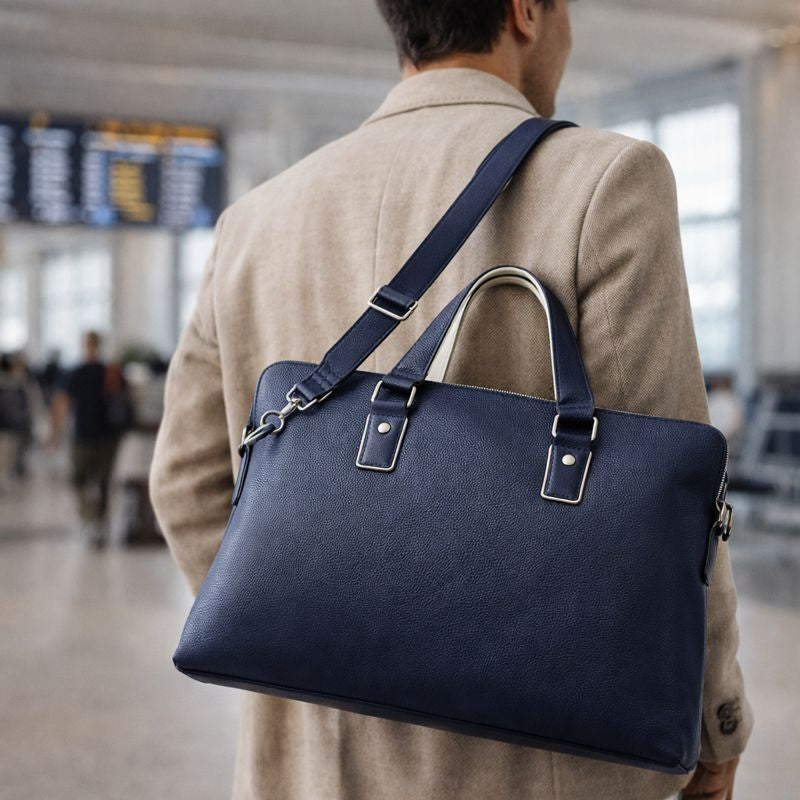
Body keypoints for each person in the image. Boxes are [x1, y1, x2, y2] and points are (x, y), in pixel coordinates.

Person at [150, 1, 752, 798]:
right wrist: (717, 725)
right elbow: (670, 516)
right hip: (542, 764)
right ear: (525, 12)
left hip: (304, 764)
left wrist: (302, 622)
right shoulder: (605, 182)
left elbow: (184, 482)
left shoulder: (254, 220)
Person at [50, 331, 125, 548]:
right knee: (96, 481)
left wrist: (54, 434)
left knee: (82, 480)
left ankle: (93, 521)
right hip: (105, 436)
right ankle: (96, 522)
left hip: (87, 435)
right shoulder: (110, 372)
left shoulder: (78, 372)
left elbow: (61, 404)